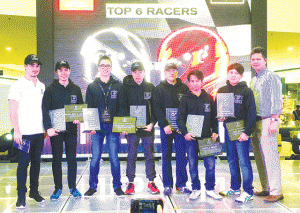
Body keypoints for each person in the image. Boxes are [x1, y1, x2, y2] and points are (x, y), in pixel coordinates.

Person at [177, 70, 222, 200]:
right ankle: (195, 188)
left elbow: (214, 117)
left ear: (202, 81)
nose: (195, 83)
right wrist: (185, 132)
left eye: (197, 81)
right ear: (188, 83)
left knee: (210, 165)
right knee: (192, 164)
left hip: (207, 137)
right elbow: (180, 118)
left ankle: (210, 188)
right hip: (191, 138)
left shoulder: (208, 97)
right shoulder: (185, 98)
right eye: (192, 81)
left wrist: (215, 131)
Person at [84, 55, 126, 196]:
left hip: (113, 127)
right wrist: (91, 126)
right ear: (98, 67)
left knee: (114, 157)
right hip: (97, 128)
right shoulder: (92, 86)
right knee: (95, 157)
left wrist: (121, 126)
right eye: (102, 65)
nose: (105, 68)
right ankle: (92, 186)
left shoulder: (118, 85)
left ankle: (117, 186)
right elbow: (89, 108)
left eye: (108, 66)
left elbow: (122, 107)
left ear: (111, 68)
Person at [42, 61, 83, 200]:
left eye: (66, 70)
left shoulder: (76, 89)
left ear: (70, 71)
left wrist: (80, 118)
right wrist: (48, 128)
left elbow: (80, 107)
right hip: (56, 131)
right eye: (61, 70)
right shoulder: (50, 89)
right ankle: (58, 188)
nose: (63, 72)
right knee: (56, 160)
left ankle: (73, 187)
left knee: (72, 159)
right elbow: (44, 109)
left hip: (71, 130)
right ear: (57, 72)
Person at [8, 54, 45, 208]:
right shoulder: (17, 85)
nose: (35, 68)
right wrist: (16, 130)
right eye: (31, 65)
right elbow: (12, 110)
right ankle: (21, 196)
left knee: (36, 163)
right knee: (23, 164)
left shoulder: (42, 86)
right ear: (25, 66)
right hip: (24, 133)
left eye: (37, 66)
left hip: (39, 132)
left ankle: (34, 192)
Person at [217, 63, 256, 203]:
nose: (233, 75)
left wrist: (247, 132)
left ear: (241, 75)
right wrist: (220, 116)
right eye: (230, 72)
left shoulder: (246, 91)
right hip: (228, 130)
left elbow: (252, 113)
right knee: (231, 160)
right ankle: (234, 188)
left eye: (236, 73)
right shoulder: (221, 90)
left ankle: (247, 191)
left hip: (242, 131)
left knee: (244, 162)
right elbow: (219, 110)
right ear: (227, 74)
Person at [250, 47, 283, 202]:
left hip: (269, 119)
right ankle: (267, 187)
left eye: (258, 59)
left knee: (270, 156)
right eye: (253, 59)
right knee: (260, 157)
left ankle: (276, 191)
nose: (255, 62)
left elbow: (277, 99)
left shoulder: (271, 76)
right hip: (256, 121)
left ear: (265, 60)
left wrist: (274, 120)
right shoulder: (254, 79)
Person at [153, 62, 191, 195]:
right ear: (164, 73)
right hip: (166, 129)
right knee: (166, 156)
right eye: (169, 70)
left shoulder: (184, 88)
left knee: (182, 156)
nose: (171, 72)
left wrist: (183, 127)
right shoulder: (159, 89)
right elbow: (156, 108)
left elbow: (187, 108)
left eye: (174, 70)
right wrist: (164, 124)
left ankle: (181, 184)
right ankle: (167, 185)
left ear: (177, 72)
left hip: (180, 130)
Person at [123, 61, 160, 195]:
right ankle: (130, 183)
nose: (137, 75)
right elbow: (123, 107)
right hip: (132, 128)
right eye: (135, 72)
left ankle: (151, 182)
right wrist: (126, 125)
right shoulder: (126, 88)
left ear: (144, 72)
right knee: (131, 155)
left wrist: (152, 123)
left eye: (140, 71)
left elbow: (156, 108)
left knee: (149, 155)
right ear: (131, 73)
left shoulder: (150, 87)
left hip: (147, 128)